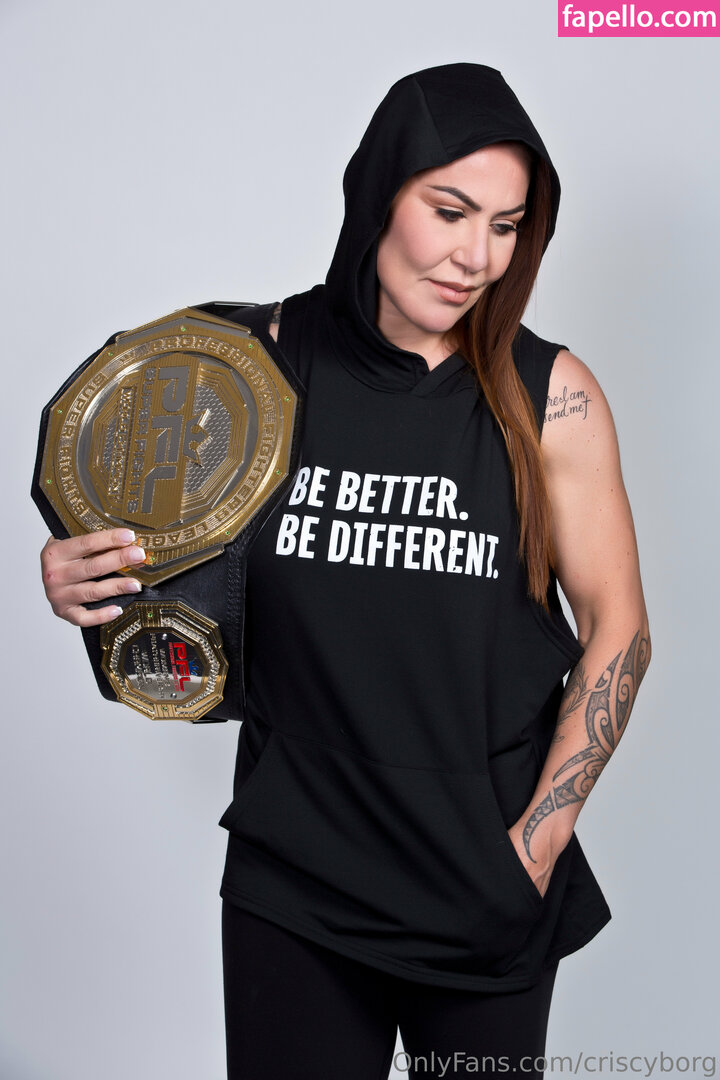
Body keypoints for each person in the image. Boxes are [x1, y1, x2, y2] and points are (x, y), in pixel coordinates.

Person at [40, 64, 650, 1079]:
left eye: (505, 226)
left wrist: (535, 849)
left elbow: (618, 631)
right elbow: (165, 589)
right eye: (448, 211)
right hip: (295, 891)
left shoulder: (552, 398)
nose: (475, 256)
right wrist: (88, 582)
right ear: (378, 195)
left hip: (482, 887)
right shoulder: (252, 368)